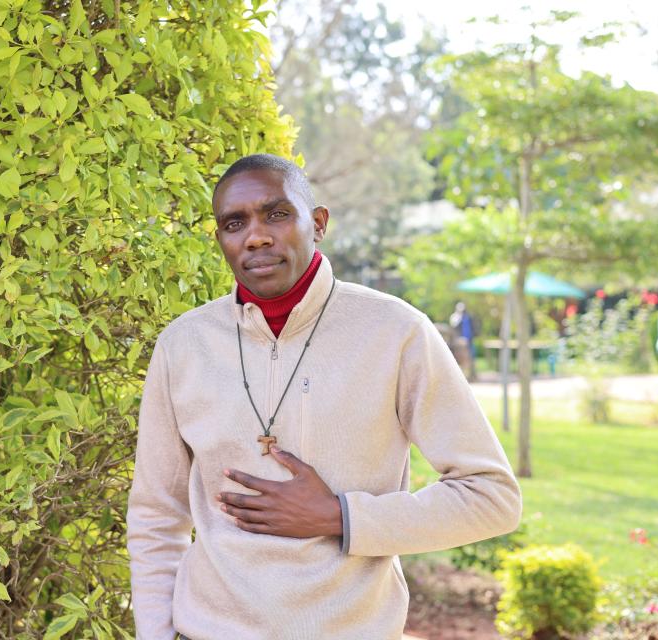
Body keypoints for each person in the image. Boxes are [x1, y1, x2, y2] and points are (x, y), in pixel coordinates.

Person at [126, 154, 522, 640]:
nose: (256, 236)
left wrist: (341, 516)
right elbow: (155, 515)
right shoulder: (183, 344)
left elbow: (492, 497)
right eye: (235, 223)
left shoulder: (396, 332)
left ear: (318, 223)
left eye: (277, 214)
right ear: (221, 241)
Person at [449, 301, 477, 380]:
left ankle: (472, 376)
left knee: (471, 358)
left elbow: (472, 328)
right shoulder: (455, 317)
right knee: (460, 360)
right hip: (459, 343)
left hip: (469, 341)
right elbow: (453, 328)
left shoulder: (468, 317)